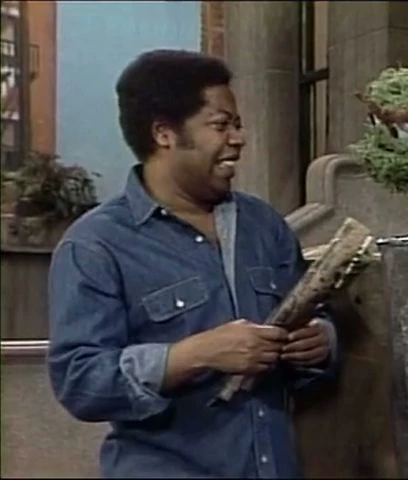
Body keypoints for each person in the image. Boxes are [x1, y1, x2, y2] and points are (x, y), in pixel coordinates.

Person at [47, 49, 339, 479]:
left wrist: (322, 342)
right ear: (164, 133)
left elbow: (316, 316)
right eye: (221, 125)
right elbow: (80, 381)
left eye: (237, 124)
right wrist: (193, 355)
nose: (239, 138)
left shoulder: (264, 226)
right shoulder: (95, 246)